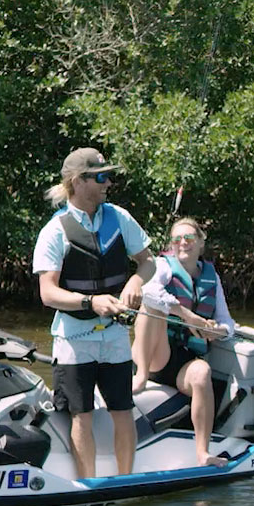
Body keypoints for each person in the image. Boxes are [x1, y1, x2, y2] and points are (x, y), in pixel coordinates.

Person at [33, 147, 156, 478]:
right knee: (81, 415)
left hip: (114, 335)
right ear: (77, 181)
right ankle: (88, 485)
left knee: (122, 411)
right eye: (100, 177)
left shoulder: (120, 217)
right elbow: (48, 293)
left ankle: (125, 480)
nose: (108, 183)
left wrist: (134, 281)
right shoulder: (54, 231)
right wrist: (91, 302)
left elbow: (148, 262)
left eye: (108, 176)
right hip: (74, 338)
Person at [131, 218, 234, 467]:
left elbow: (228, 323)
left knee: (202, 372)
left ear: (200, 242)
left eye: (188, 238)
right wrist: (188, 317)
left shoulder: (212, 277)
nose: (183, 243)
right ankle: (142, 375)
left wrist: (214, 331)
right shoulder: (163, 267)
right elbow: (149, 292)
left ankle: (202, 452)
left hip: (183, 362)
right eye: (177, 239)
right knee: (154, 305)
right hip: (157, 353)